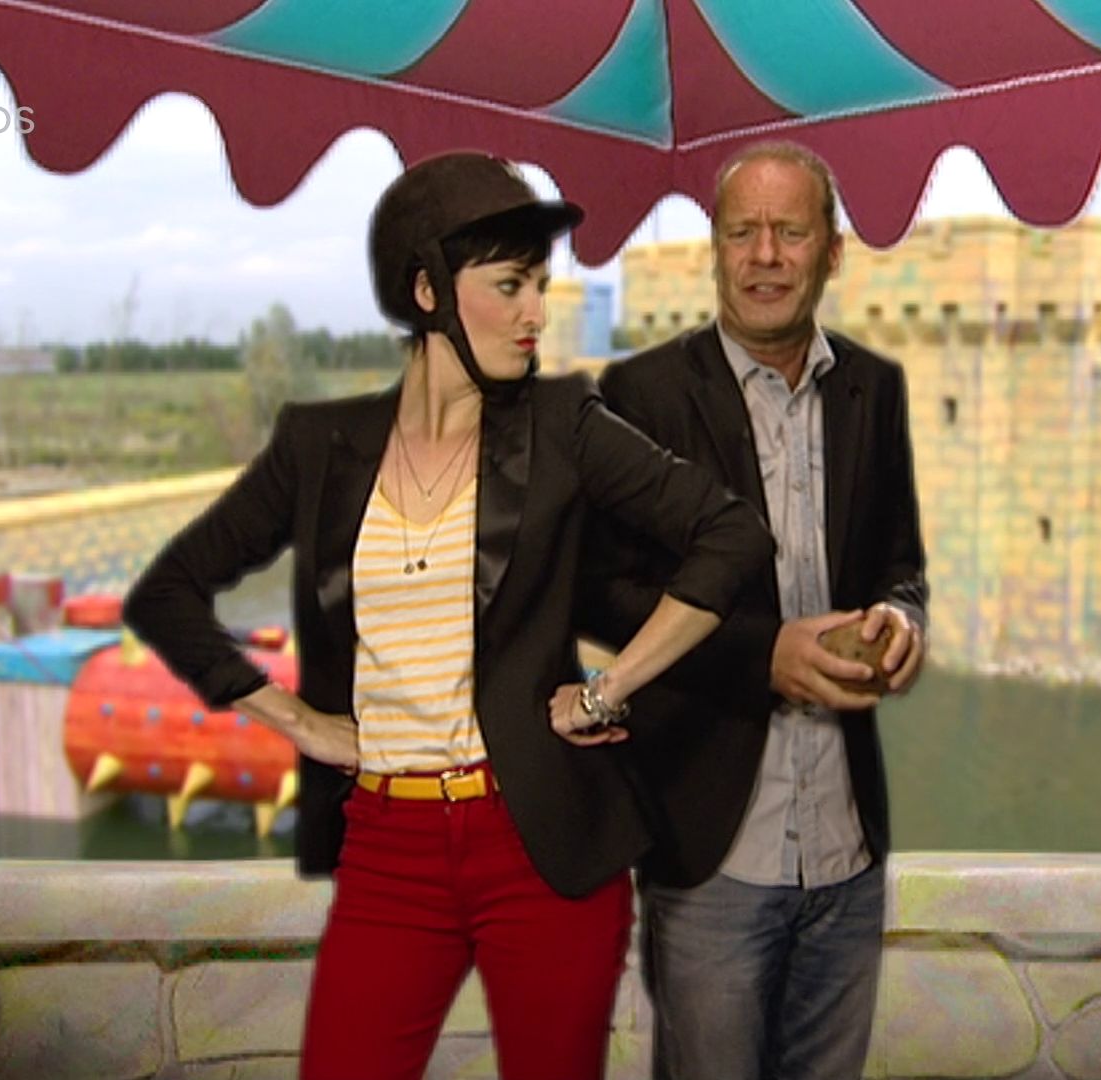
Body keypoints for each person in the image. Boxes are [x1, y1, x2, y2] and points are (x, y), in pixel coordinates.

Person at [122, 151, 773, 1080]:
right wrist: (297, 721)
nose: (536, 312)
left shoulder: (564, 425)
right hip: (387, 851)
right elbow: (168, 593)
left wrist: (609, 687)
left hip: (541, 843)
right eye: (509, 286)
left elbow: (731, 534)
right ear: (427, 291)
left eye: (540, 285)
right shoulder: (321, 446)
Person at [578, 141, 929, 1080]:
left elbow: (900, 566)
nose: (764, 255)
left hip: (848, 853)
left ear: (832, 252)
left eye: (789, 232)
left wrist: (904, 625)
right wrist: (760, 654)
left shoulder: (875, 389)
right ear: (716, 251)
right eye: (742, 233)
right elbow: (602, 592)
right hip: (715, 855)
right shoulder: (641, 395)